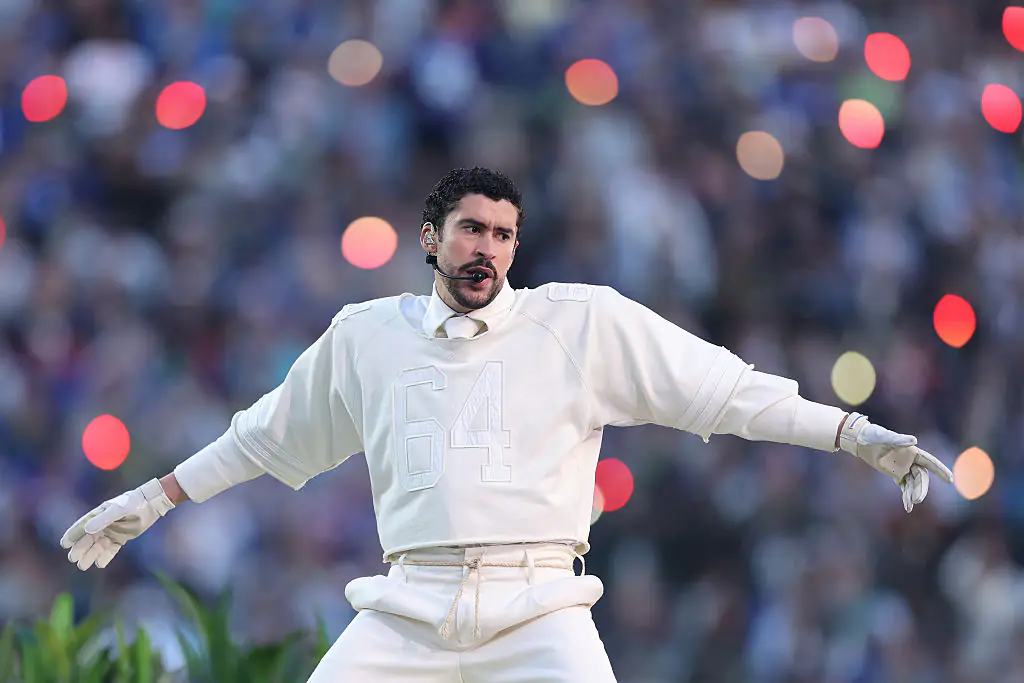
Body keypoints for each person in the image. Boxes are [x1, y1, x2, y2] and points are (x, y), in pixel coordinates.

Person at [60, 167, 954, 682]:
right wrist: (154, 494)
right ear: (428, 237)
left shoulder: (579, 322)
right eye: (471, 229)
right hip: (405, 608)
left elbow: (722, 391)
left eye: (504, 233)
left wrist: (848, 431)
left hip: (540, 607)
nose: (487, 246)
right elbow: (264, 437)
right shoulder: (365, 336)